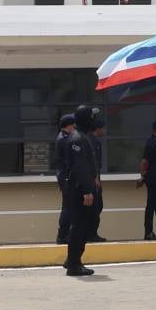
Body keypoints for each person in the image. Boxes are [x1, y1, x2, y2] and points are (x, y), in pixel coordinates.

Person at [64, 104, 101, 277]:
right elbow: (79, 167)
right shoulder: (78, 138)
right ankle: (74, 264)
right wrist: (87, 190)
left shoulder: (81, 136)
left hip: (82, 187)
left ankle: (72, 260)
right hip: (80, 190)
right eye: (91, 118)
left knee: (83, 225)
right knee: (80, 226)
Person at [138, 120, 156, 240]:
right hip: (152, 179)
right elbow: (145, 161)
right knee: (151, 206)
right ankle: (148, 232)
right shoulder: (152, 143)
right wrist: (142, 176)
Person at [54, 114, 76, 244]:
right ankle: (63, 235)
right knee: (68, 207)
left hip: (65, 176)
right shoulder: (64, 139)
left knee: (69, 207)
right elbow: (69, 160)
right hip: (66, 177)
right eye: (73, 124)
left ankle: (65, 234)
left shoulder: (64, 137)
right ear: (69, 125)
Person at [88, 118, 107, 243]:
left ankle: (92, 232)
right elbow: (93, 162)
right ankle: (91, 233)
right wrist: (96, 178)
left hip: (95, 176)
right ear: (98, 129)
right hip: (93, 178)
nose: (104, 131)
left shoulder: (93, 140)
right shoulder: (93, 141)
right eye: (103, 128)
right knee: (96, 206)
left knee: (98, 206)